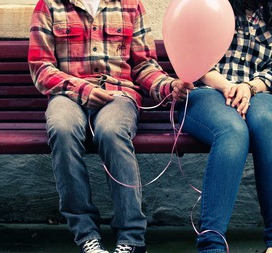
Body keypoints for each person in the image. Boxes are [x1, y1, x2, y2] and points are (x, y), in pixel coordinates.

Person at [27, 0, 188, 252]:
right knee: (62, 128)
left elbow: (144, 66)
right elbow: (41, 68)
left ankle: (131, 237)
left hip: (118, 94)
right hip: (67, 94)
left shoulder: (130, 5)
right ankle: (86, 234)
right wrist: (82, 89)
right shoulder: (49, 5)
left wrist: (169, 87)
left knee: (111, 131)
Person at [167, 0, 272, 252]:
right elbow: (194, 58)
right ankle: (212, 244)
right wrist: (228, 87)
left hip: (258, 92)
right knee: (233, 131)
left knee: (268, 123)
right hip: (208, 91)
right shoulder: (209, 2)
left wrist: (248, 87)